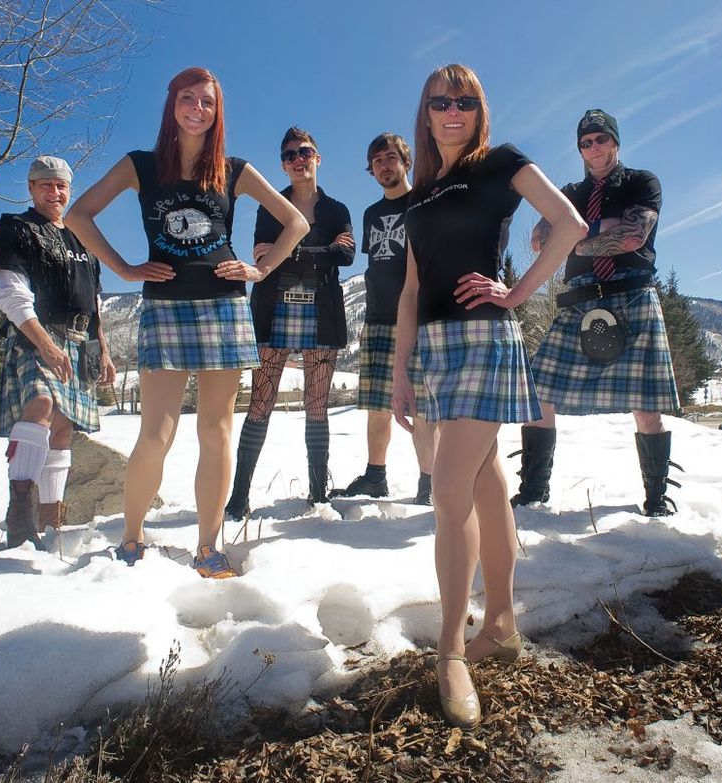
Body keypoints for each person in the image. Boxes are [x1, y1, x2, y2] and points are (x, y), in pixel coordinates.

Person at [392, 64, 585, 728]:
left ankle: (451, 650)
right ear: (425, 112)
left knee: (448, 490)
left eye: (465, 101)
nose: (453, 111)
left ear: (479, 110)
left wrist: (517, 291)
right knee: (482, 480)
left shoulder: (500, 163)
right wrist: (400, 370)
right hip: (434, 348)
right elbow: (411, 289)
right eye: (440, 102)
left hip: (483, 337)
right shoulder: (419, 195)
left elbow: (568, 223)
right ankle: (501, 625)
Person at [66, 68, 308, 577]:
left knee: (216, 431)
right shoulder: (141, 165)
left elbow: (296, 222)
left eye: (208, 102)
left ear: (218, 113)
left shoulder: (233, 170)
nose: (198, 109)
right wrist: (124, 268)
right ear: (172, 103)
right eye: (189, 98)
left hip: (224, 305)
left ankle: (207, 547)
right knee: (156, 433)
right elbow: (78, 215)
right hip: (164, 307)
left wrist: (261, 269)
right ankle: (131, 540)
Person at [522, 110, 681, 516]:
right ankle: (533, 491)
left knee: (646, 405)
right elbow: (539, 240)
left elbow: (632, 237)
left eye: (601, 139)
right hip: (578, 298)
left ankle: (656, 498)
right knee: (539, 394)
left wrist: (574, 234)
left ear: (615, 141)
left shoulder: (642, 182)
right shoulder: (568, 192)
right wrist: (602, 226)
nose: (594, 147)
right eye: (586, 142)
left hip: (631, 295)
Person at [0, 155, 116, 549]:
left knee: (62, 430)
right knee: (41, 405)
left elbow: (93, 303)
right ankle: (20, 516)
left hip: (78, 342)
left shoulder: (82, 236)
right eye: (45, 184)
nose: (54, 192)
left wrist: (103, 350)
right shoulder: (17, 228)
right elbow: (9, 291)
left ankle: (50, 520)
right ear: (31, 188)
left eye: (60, 185)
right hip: (35, 334)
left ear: (69, 190)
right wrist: (43, 342)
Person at [224, 127, 353, 516]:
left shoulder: (337, 210)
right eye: (289, 155)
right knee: (260, 403)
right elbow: (263, 257)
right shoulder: (271, 207)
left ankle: (318, 494)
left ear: (318, 158)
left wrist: (291, 251)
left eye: (305, 152)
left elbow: (346, 255)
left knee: (317, 405)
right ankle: (239, 496)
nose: (298, 159)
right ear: (283, 165)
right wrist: (318, 252)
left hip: (322, 313)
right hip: (273, 310)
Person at [331, 132, 437, 504]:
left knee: (422, 406)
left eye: (391, 158)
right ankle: (375, 477)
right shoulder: (371, 214)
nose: (384, 166)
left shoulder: (424, 202)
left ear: (406, 161)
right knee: (377, 405)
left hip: (418, 318)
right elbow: (379, 262)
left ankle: (429, 484)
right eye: (377, 161)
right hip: (377, 317)